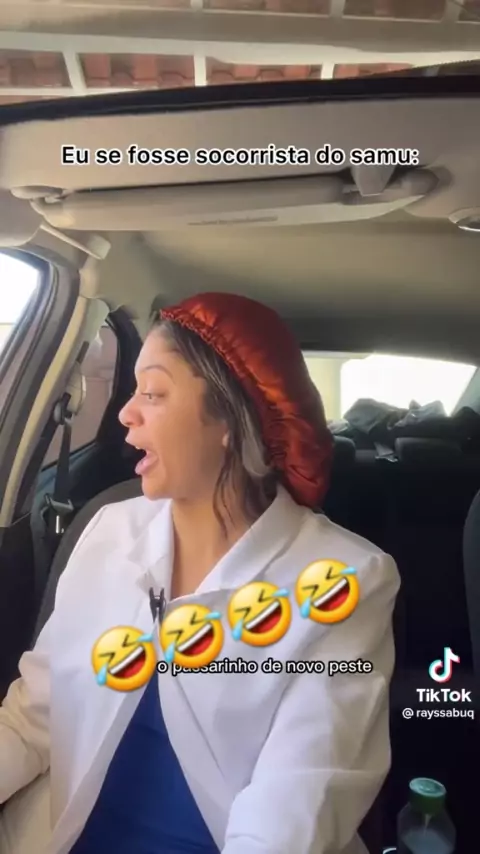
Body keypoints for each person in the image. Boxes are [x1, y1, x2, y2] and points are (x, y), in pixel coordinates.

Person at [0, 292, 400, 854]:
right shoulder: (109, 529)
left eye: (153, 393)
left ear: (229, 419)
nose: (125, 413)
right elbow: (35, 716)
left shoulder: (346, 578)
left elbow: (292, 813)